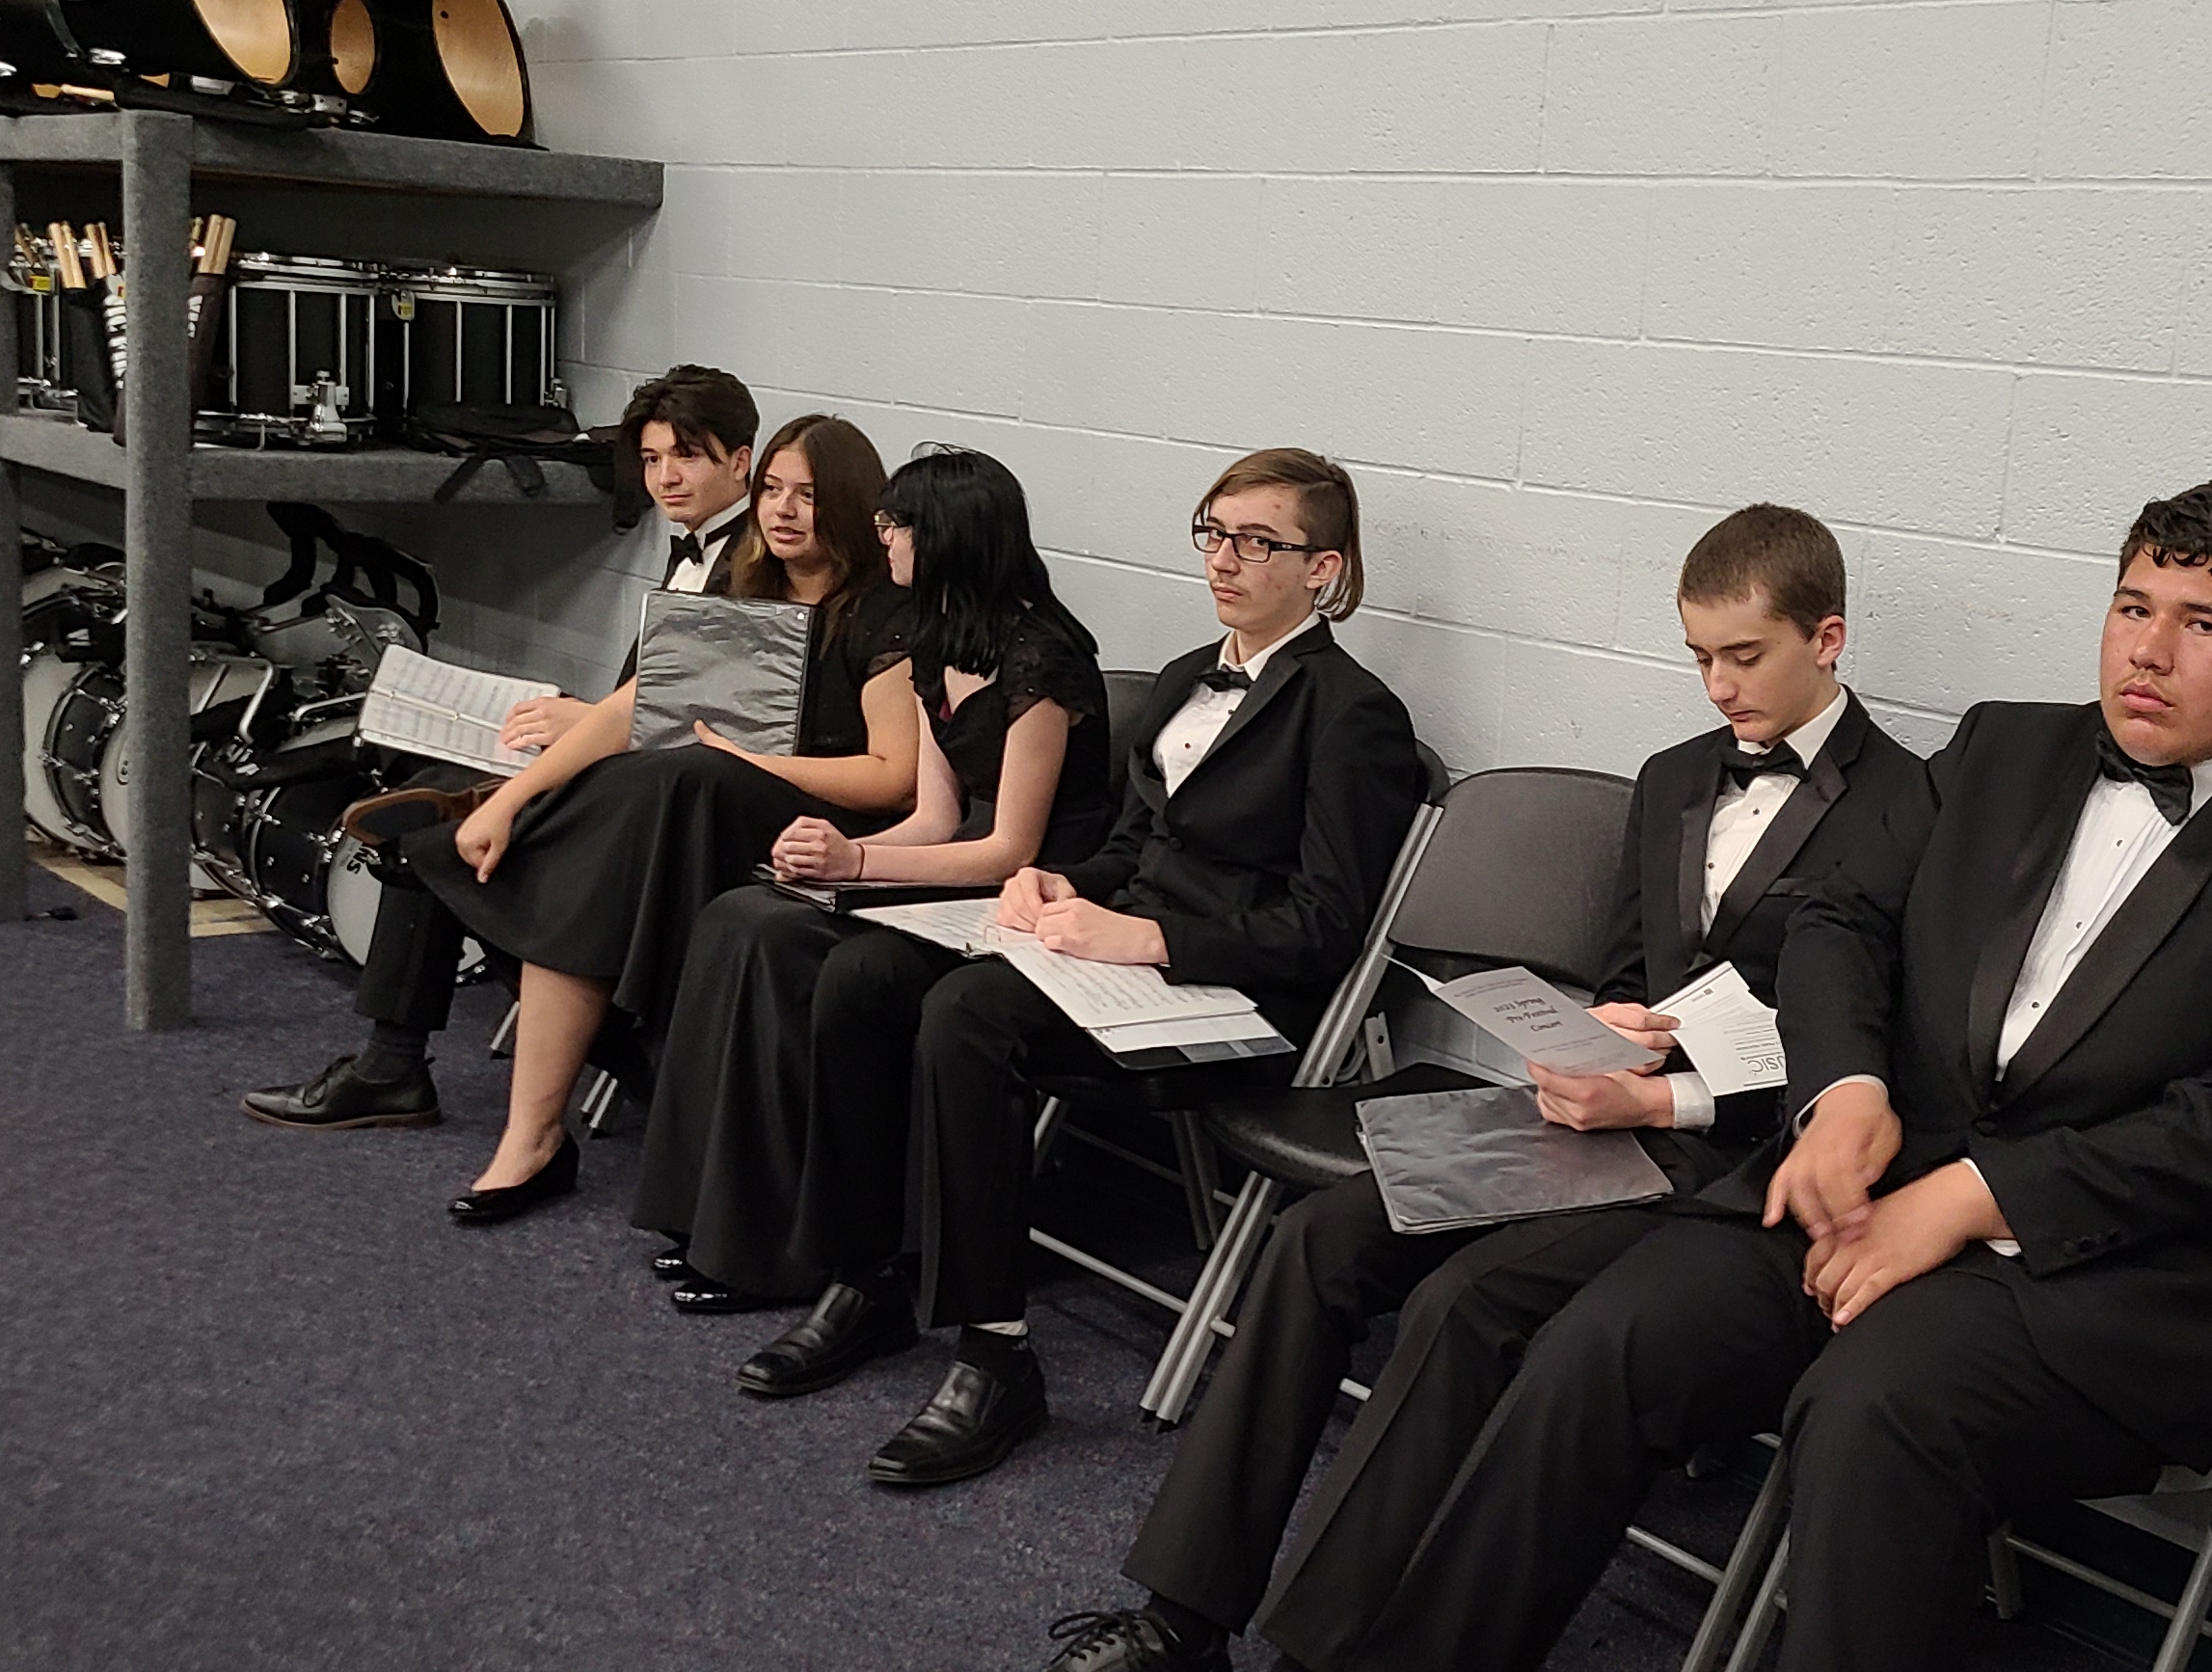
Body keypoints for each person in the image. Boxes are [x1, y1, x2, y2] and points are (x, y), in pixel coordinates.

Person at [1195, 477, 2212, 1672]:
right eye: (2131, 607)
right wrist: (1845, 1089)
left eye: (2202, 625)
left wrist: (1967, 1200)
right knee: (1603, 1339)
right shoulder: (2003, 748)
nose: (2146, 651)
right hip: (1866, 1189)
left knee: (1873, 1412)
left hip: (2111, 1278)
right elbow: (1840, 916)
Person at [968, 504, 1938, 1672]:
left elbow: (1864, 1049)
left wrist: (1665, 1089)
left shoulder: (1912, 808)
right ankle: (1180, 1624)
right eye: (1698, 658)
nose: (1718, 687)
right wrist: (1598, 1033)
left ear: (1827, 640)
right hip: (1606, 1117)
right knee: (1319, 1238)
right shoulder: (1672, 776)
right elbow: (1631, 971)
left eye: (1746, 657)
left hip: (1729, 1171)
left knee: (1461, 1306)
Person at [748, 447, 1425, 1493]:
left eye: (1258, 542)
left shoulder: (1353, 713)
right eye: (1214, 533)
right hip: (1125, 959)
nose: (1224, 560)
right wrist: (1057, 885)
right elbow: (1133, 850)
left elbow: (1325, 928)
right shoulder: (1185, 678)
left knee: (969, 1015)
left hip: (1233, 995)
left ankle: (996, 1352)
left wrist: (1148, 940)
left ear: (1322, 569)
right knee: (864, 973)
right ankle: (867, 1273)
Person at [634, 445, 1120, 1326]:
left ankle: (791, 1248)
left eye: (898, 523)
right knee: (747, 916)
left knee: (797, 949)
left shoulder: (1044, 661)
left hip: (1031, 893)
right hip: (956, 870)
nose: (883, 535)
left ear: (950, 536)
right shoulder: (940, 641)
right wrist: (833, 858)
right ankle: (719, 1221)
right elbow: (933, 820)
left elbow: (1009, 848)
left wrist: (857, 866)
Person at [239, 364, 792, 1134]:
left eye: (686, 457)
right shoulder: (696, 546)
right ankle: (399, 1061)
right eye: (652, 459)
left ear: (741, 460)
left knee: (442, 846)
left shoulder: (762, 563)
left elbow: (717, 718)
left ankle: (420, 1064)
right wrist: (585, 719)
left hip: (676, 802)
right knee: (431, 802)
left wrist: (589, 723)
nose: (665, 477)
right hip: (638, 769)